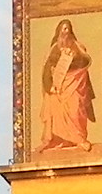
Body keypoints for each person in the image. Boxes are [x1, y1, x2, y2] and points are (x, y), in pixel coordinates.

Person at [37, 20, 93, 151]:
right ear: (58, 31)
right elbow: (47, 68)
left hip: (74, 84)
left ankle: (79, 139)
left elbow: (84, 61)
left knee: (76, 110)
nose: (65, 32)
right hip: (58, 88)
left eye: (67, 29)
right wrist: (49, 85)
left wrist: (72, 58)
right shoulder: (54, 48)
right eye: (62, 29)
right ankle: (59, 140)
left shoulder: (77, 47)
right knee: (56, 113)